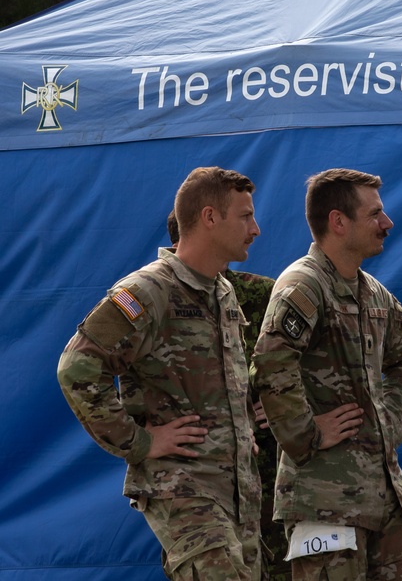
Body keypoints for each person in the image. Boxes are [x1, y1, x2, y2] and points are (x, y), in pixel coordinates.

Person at [57, 167, 264, 580]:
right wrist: (139, 442)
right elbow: (77, 367)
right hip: (183, 488)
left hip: (238, 490)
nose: (255, 229)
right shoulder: (148, 291)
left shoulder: (221, 292)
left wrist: (241, 427)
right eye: (244, 216)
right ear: (209, 217)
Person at [252, 168, 402, 580]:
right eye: (375, 214)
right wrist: (307, 433)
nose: (387, 224)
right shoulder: (304, 285)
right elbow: (270, 363)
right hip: (325, 500)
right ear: (339, 222)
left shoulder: (373, 292)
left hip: (387, 498)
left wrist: (387, 422)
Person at [170, 211, 290, 580]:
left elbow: (305, 361)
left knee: (279, 563)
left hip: (266, 468)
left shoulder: (261, 295)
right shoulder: (157, 295)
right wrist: (141, 440)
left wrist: (282, 403)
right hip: (198, 471)